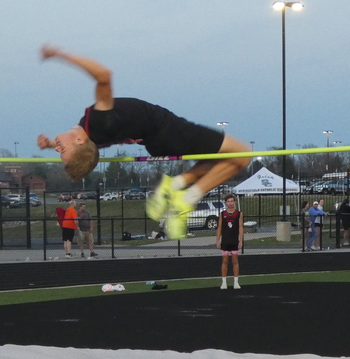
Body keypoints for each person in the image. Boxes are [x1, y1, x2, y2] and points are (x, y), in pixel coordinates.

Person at [36, 45, 251, 241]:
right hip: (170, 130)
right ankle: (186, 198)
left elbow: (78, 149)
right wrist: (60, 55)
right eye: (60, 148)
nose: (57, 146)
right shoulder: (98, 121)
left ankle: (174, 185)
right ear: (80, 140)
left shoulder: (93, 141)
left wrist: (48, 144)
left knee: (222, 159)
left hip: (156, 143)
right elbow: (104, 75)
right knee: (243, 154)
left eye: (58, 150)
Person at [216, 194, 244, 289]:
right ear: (225, 203)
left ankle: (236, 282)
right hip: (225, 241)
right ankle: (224, 282)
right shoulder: (222, 214)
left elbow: (240, 227)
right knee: (224, 261)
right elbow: (219, 227)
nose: (230, 203)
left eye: (232, 201)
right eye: (228, 201)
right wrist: (218, 240)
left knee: (235, 261)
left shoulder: (239, 214)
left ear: (234, 202)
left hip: (234, 241)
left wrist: (241, 240)